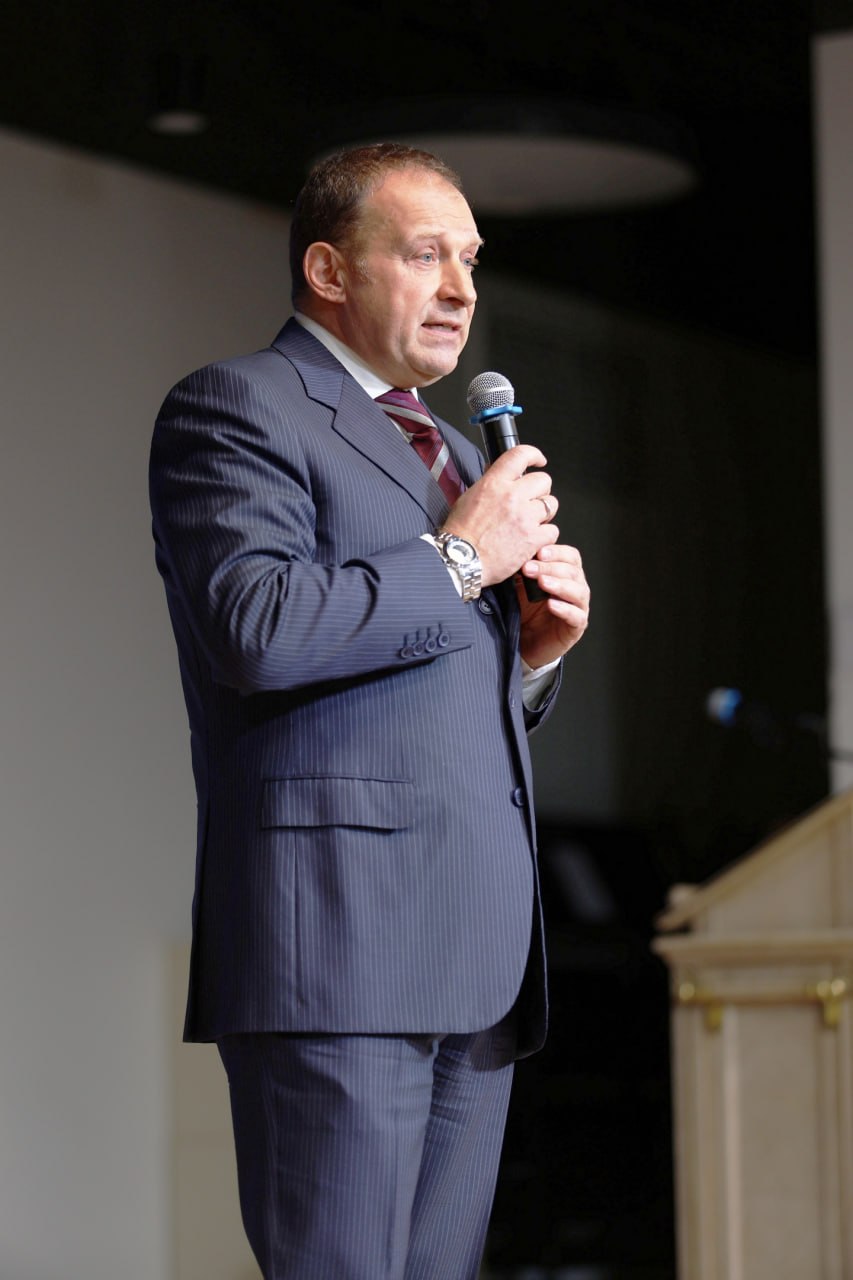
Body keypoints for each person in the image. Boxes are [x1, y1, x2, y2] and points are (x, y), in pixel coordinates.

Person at [150, 142, 590, 1280]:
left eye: (472, 261)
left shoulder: (455, 453)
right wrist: (463, 558)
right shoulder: (238, 406)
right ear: (329, 271)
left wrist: (527, 660)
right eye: (426, 255)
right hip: (336, 950)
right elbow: (257, 627)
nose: (461, 289)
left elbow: (430, 690)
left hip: (475, 957)